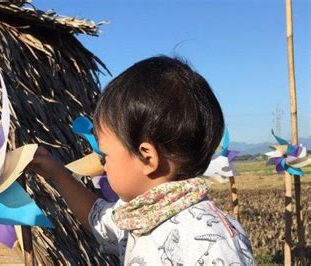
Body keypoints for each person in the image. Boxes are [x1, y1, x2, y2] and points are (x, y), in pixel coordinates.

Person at [28, 56, 255, 265]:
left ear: (147, 158)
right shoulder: (138, 214)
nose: (102, 164)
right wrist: (57, 174)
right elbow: (97, 218)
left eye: (106, 155)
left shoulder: (213, 242)